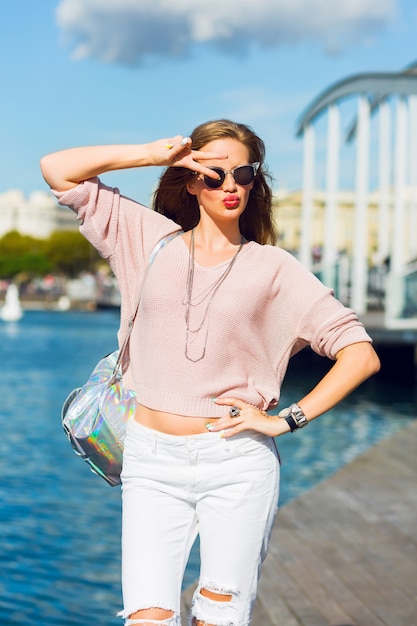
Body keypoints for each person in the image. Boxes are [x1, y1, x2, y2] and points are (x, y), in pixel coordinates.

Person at [40, 119, 380, 626]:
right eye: (214, 173)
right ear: (192, 180)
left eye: (243, 173)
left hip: (236, 463)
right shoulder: (146, 238)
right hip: (151, 461)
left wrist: (286, 420)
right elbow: (57, 170)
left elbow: (360, 353)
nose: (231, 185)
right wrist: (153, 154)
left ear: (254, 181)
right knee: (146, 617)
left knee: (218, 617)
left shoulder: (274, 267)